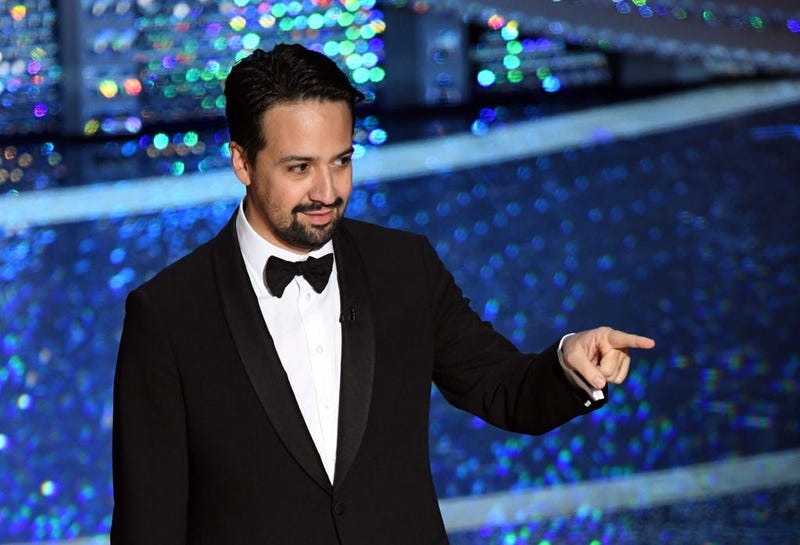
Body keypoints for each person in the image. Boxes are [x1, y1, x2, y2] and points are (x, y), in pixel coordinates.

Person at [111, 43, 655, 544]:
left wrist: (567, 363)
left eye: (341, 161)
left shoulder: (405, 267)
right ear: (242, 163)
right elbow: (148, 525)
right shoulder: (167, 315)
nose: (327, 191)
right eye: (300, 167)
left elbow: (501, 387)